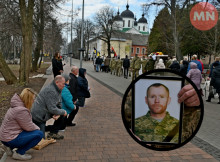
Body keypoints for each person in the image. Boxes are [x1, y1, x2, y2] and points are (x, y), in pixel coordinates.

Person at [0, 88, 43, 160]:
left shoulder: (16, 105)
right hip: (10, 138)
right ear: (28, 99)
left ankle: (8, 147)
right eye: (33, 99)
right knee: (39, 134)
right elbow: (28, 127)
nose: (34, 101)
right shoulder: (21, 110)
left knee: (33, 132)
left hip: (5, 137)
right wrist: (38, 128)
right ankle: (19, 153)